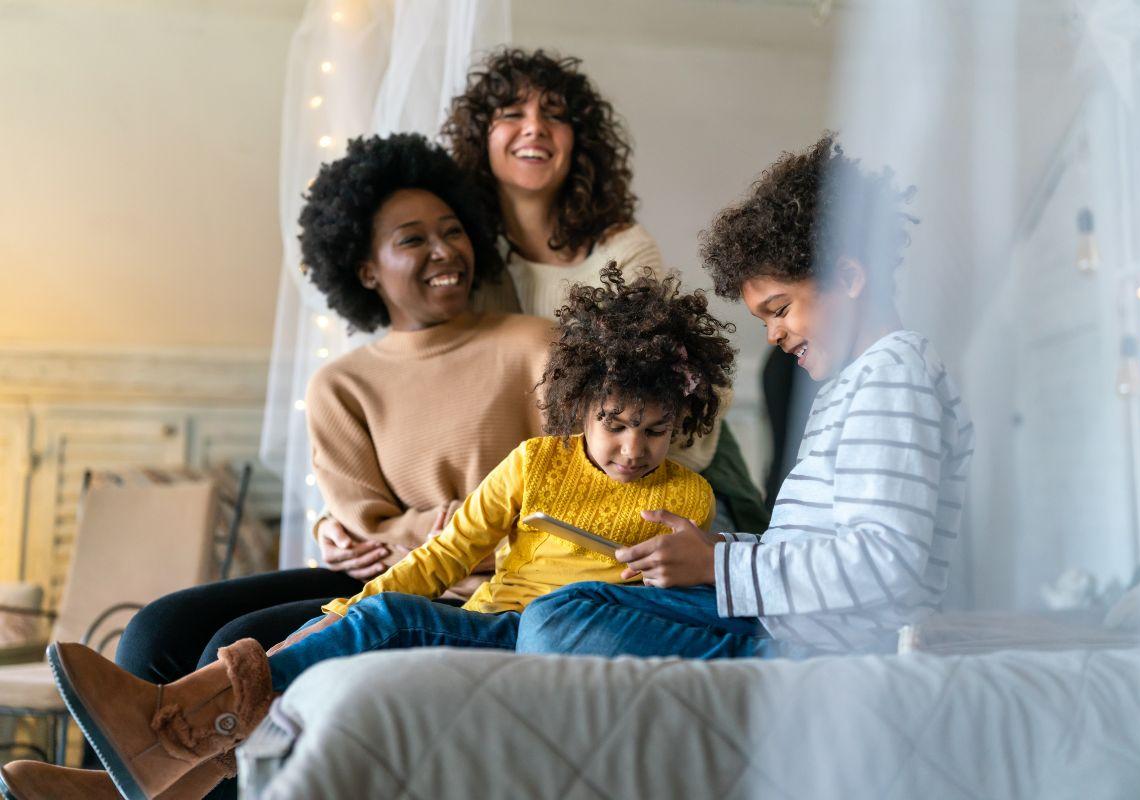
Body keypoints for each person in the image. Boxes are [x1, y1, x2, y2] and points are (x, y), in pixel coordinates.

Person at [40, 264, 735, 800]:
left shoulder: (688, 495)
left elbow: (656, 606)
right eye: (614, 425)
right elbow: (449, 553)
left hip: (552, 637)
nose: (633, 449)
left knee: (384, 619)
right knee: (375, 613)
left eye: (655, 431)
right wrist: (350, 606)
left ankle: (164, 734)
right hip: (490, 618)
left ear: (682, 423)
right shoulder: (534, 463)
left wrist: (683, 565)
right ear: (583, 407)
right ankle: (153, 760)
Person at [0, 133, 552, 800]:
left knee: (234, 646)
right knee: (156, 630)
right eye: (412, 239)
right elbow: (361, 524)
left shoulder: (532, 346)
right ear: (366, 267)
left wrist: (415, 529)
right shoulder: (342, 385)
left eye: (453, 231)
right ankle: (126, 788)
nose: (444, 252)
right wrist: (394, 530)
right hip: (389, 575)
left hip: (476, 585)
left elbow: (563, 495)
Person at [516, 133, 976, 660]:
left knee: (562, 618)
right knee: (561, 607)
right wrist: (715, 549)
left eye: (779, 310)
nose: (773, 336)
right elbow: (814, 552)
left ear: (848, 277)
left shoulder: (895, 377)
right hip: (787, 621)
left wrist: (718, 568)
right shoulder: (856, 382)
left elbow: (885, 564)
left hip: (813, 644)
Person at [441, 46, 770, 535]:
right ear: (479, 137)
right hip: (535, 486)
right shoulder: (459, 259)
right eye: (512, 114)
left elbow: (658, 391)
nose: (534, 127)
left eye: (555, 116)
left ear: (579, 142)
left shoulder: (623, 251)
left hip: (663, 473)